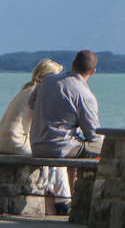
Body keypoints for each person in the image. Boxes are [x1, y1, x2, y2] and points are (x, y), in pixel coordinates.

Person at [0, 59, 70, 213]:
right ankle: (64, 202)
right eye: (54, 77)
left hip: (0, 142)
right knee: (56, 156)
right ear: (43, 77)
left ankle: (54, 199)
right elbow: (40, 126)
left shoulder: (26, 90)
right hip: (16, 142)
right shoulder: (38, 92)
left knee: (49, 155)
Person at [29, 49, 103, 211]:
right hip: (61, 148)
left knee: (77, 144)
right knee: (104, 148)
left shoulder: (47, 81)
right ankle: (81, 200)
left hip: (36, 145)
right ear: (93, 71)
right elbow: (93, 135)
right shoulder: (85, 95)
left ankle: (68, 198)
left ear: (72, 64)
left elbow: (32, 102)